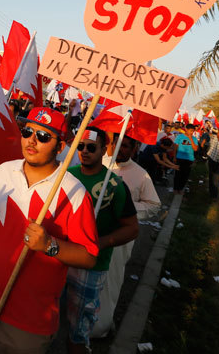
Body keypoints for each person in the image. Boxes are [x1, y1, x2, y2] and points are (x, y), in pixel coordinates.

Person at [0, 107, 99, 354]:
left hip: (28, 322)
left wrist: (50, 245)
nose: (32, 140)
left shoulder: (74, 192)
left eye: (44, 136)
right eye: (27, 132)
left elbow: (89, 256)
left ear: (60, 148)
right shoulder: (5, 170)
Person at [66, 127, 139, 353]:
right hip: (60, 258)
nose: (84, 151)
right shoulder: (66, 177)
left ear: (104, 149)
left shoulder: (115, 186)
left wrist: (102, 242)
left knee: (79, 330)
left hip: (93, 267)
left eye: (90, 147)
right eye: (80, 146)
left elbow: (132, 229)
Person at [94, 133, 160, 338]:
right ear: (111, 144)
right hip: (90, 233)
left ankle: (100, 328)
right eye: (118, 144)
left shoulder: (141, 175)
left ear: (134, 149)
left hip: (118, 239)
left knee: (108, 283)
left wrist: (125, 209)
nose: (121, 149)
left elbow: (154, 205)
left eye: (126, 146)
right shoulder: (98, 163)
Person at [173, 125, 197, 195]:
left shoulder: (194, 139)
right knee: (178, 174)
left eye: (193, 131)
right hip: (179, 158)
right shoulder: (179, 137)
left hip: (189, 159)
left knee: (185, 175)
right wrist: (174, 157)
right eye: (190, 130)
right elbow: (175, 147)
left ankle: (180, 189)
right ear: (186, 129)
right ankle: (175, 188)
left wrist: (191, 138)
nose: (191, 132)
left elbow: (195, 149)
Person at [201, 127, 219, 200]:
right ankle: (212, 193)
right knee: (212, 176)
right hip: (212, 159)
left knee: (216, 178)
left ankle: (214, 194)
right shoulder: (214, 137)